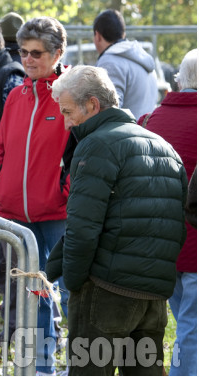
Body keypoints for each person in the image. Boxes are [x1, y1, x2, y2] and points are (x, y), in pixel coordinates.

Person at [46, 65, 187, 376]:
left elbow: (83, 229)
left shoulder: (96, 146)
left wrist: (73, 282)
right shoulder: (165, 147)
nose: (67, 124)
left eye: (69, 112)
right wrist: (50, 269)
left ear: (93, 105)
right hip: (152, 294)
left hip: (104, 292)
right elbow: (179, 222)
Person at [0, 16, 70, 375]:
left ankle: (81, 365)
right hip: (18, 215)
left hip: (59, 214)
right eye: (23, 51)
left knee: (70, 293)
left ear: (57, 53)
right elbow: (0, 147)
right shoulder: (17, 95)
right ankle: (41, 368)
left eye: (37, 52)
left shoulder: (72, 94)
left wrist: (64, 190)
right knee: (33, 296)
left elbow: (81, 152)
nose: (29, 59)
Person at [137, 49, 197, 376]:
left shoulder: (149, 120)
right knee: (192, 328)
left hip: (159, 243)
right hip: (194, 243)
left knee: (186, 324)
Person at [93, 9, 158, 119]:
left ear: (97, 35)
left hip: (125, 135)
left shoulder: (110, 62)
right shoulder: (142, 58)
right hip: (147, 131)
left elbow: (109, 112)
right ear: (123, 33)